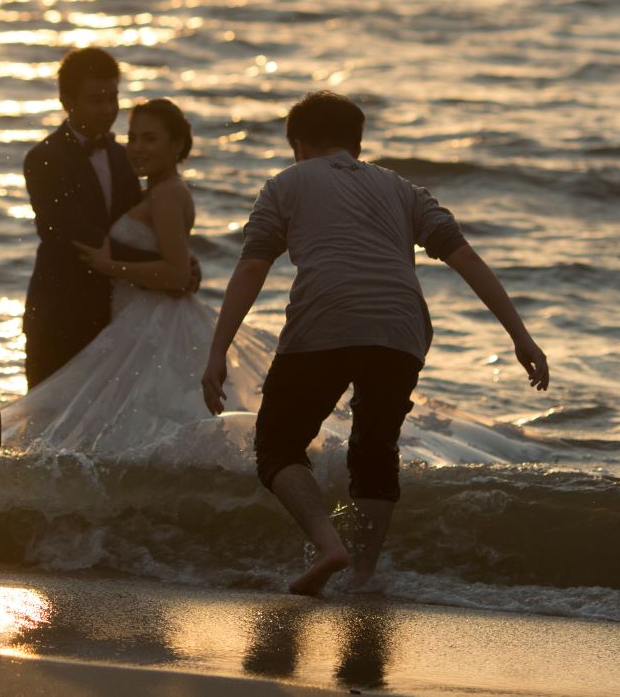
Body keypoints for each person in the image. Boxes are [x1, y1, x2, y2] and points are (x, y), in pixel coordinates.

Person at [202, 91, 550, 596]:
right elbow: (466, 259)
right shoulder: (405, 191)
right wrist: (520, 336)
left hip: (325, 322)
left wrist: (217, 352)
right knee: (375, 448)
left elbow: (254, 265)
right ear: (356, 144)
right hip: (400, 331)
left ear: (298, 144)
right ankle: (362, 575)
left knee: (277, 443)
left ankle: (329, 546)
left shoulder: (286, 184)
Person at [2, 98, 277, 456]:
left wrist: (109, 266)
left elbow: (176, 273)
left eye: (149, 139)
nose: (136, 148)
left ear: (177, 145)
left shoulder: (166, 194)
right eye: (132, 138)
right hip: (133, 319)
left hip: (149, 324)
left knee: (132, 429)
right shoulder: (155, 189)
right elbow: (169, 257)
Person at [22, 48, 193, 389]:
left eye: (112, 98)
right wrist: (172, 270)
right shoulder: (44, 158)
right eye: (95, 100)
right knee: (48, 425)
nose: (107, 110)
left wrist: (178, 265)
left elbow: (141, 225)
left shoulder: (123, 155)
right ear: (66, 100)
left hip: (121, 315)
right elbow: (77, 234)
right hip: (61, 313)